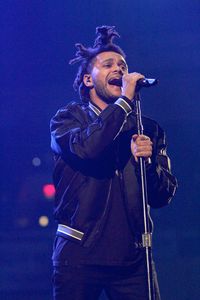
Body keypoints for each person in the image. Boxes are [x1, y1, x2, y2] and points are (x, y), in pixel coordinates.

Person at [50, 26, 177, 300]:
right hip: (79, 256)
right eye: (108, 65)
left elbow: (162, 195)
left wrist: (148, 162)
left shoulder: (148, 129)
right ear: (87, 79)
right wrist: (123, 102)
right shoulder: (67, 120)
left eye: (123, 65)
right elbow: (87, 148)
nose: (119, 70)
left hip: (133, 261)